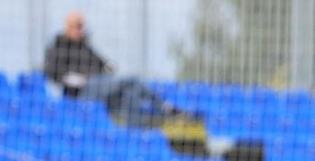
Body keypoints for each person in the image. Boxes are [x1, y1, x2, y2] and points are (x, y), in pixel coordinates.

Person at [43, 11, 202, 136]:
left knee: (129, 94)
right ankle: (165, 109)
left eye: (82, 25)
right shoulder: (59, 47)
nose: (81, 29)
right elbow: (52, 73)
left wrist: (107, 69)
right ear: (68, 27)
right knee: (131, 81)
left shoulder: (85, 47)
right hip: (80, 92)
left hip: (100, 86)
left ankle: (141, 128)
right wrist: (77, 79)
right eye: (78, 25)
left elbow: (105, 65)